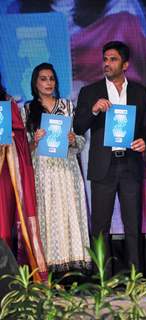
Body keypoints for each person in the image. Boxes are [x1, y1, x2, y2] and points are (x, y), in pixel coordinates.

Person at [73, 41, 146, 276]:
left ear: (125, 64)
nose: (107, 63)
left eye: (113, 59)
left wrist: (144, 141)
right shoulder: (90, 91)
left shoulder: (139, 92)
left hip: (130, 165)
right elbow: (77, 127)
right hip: (103, 167)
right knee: (100, 227)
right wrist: (94, 110)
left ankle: (136, 280)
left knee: (133, 226)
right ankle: (103, 280)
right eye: (105, 59)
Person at [25, 63, 91, 273]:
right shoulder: (27, 109)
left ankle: (72, 268)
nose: (48, 83)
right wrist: (34, 141)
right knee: (47, 213)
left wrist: (72, 139)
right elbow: (23, 147)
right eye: (43, 79)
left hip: (66, 169)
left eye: (51, 79)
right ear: (35, 83)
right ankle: (47, 268)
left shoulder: (67, 106)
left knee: (68, 211)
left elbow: (81, 141)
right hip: (43, 171)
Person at [0, 75, 47, 282]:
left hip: (4, 171)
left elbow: (19, 137)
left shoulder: (7, 103)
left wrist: (8, 137)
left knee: (3, 224)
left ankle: (8, 278)